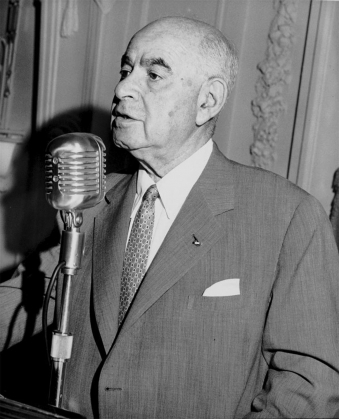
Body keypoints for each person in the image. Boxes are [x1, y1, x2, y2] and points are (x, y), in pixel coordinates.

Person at [1, 16, 339, 419]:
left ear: (208, 101)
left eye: (154, 74)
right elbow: (26, 299)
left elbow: (309, 389)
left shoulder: (287, 216)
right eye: (126, 70)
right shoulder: (89, 198)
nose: (122, 87)